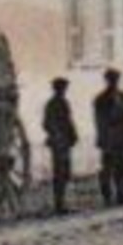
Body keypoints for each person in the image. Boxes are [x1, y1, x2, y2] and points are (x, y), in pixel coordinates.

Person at [93, 68, 123, 207]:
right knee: (107, 168)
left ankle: (121, 194)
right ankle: (107, 196)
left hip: (121, 137)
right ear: (107, 81)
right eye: (111, 80)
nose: (113, 83)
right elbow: (99, 121)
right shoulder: (100, 99)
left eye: (115, 80)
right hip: (108, 138)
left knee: (121, 167)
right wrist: (102, 138)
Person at [42, 77, 78, 213]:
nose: (63, 91)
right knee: (60, 173)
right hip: (59, 142)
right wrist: (57, 134)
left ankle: (63, 203)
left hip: (64, 141)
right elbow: (47, 123)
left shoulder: (59, 103)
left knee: (64, 172)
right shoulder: (54, 104)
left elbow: (68, 121)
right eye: (62, 88)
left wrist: (72, 135)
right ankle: (60, 204)